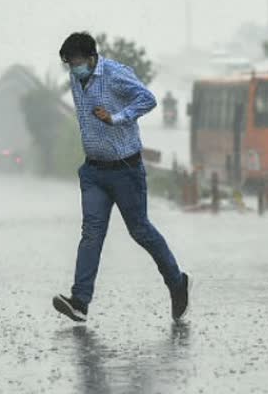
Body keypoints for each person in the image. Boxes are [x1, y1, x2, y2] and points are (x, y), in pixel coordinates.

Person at [52, 32, 191, 323]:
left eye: (76, 62)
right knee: (91, 233)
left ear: (92, 58)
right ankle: (80, 301)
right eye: (68, 64)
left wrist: (116, 117)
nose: (73, 69)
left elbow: (148, 99)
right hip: (93, 172)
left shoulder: (114, 74)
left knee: (140, 231)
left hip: (125, 170)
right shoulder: (76, 79)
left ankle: (177, 283)